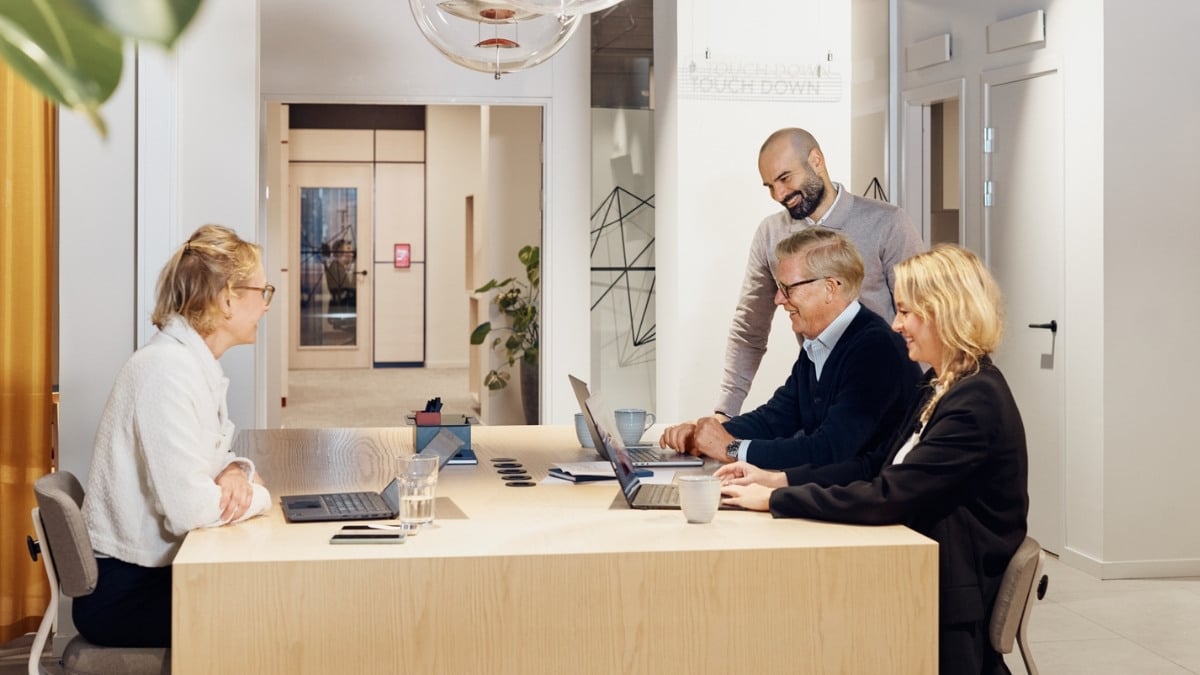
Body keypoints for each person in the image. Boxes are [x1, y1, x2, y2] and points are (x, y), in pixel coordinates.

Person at [717, 244, 1028, 675]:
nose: (897, 324)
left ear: (945, 312)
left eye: (906, 312)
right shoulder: (938, 387)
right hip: (922, 569)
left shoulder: (975, 400)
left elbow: (889, 494)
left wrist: (776, 501)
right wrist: (777, 480)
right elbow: (872, 467)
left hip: (950, 596)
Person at [75, 224, 274, 648]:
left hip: (151, 573)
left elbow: (215, 457)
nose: (266, 305)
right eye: (263, 291)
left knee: (268, 602)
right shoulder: (164, 372)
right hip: (122, 593)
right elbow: (190, 510)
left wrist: (237, 471)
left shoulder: (188, 365)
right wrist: (260, 496)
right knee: (265, 614)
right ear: (226, 298)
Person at [659, 228, 922, 470]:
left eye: (788, 288)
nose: (778, 299)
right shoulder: (820, 343)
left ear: (829, 288)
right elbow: (775, 419)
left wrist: (731, 448)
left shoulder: (875, 350)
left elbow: (829, 450)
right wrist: (703, 432)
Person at [717, 127, 924, 417]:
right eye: (769, 186)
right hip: (820, 395)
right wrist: (725, 413)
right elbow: (750, 328)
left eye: (785, 178)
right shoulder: (770, 233)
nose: (779, 194)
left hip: (886, 396)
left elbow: (922, 315)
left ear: (816, 161)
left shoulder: (888, 223)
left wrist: (925, 408)